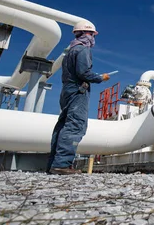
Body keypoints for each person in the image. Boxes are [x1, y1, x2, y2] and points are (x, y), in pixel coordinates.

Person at [47, 20, 110, 175]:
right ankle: (62, 164)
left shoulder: (70, 51)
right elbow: (84, 73)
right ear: (85, 34)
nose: (93, 38)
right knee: (75, 125)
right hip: (78, 91)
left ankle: (53, 164)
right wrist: (100, 78)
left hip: (67, 90)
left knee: (63, 126)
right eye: (92, 34)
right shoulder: (82, 50)